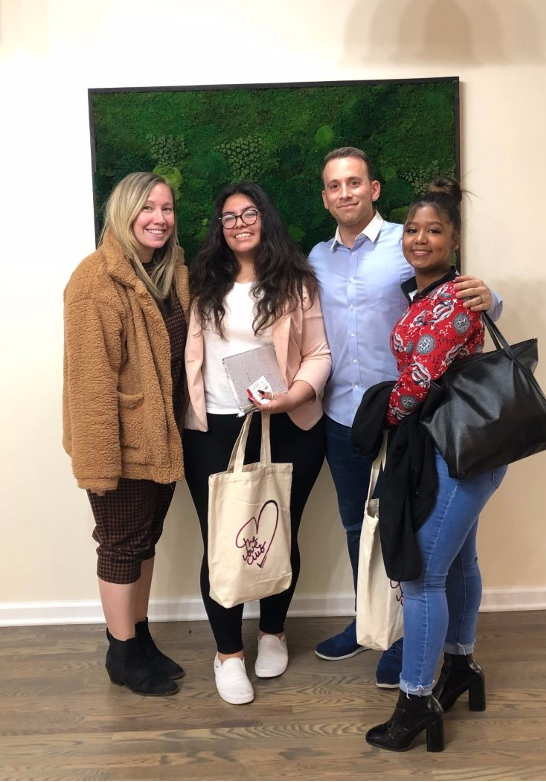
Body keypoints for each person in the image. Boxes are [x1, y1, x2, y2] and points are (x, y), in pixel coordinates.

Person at [308, 147, 503, 686]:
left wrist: (494, 296)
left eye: (354, 182)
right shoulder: (318, 258)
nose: (344, 192)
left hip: (412, 422)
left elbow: (465, 301)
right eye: (333, 185)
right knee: (358, 529)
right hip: (345, 416)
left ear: (373, 189)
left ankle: (402, 640)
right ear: (325, 197)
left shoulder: (410, 240)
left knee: (413, 541)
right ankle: (367, 622)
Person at [353, 177, 508, 752]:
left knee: (420, 577)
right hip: (461, 451)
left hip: (457, 454)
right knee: (460, 562)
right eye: (413, 230)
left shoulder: (459, 296)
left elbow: (419, 380)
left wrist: (379, 419)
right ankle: (461, 667)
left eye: (434, 231)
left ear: (455, 240)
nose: (420, 239)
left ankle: (416, 699)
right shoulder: (421, 293)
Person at [183, 182, 331, 705]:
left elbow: (319, 354)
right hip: (215, 429)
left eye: (249, 214)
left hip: (289, 425)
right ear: (218, 228)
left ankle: (272, 632)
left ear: (266, 219)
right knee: (222, 539)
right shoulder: (199, 282)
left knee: (278, 532)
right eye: (229, 217)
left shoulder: (296, 282)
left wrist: (292, 396)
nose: (240, 223)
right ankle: (227, 654)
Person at [63, 172, 190, 696]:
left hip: (163, 436)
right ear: (124, 213)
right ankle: (120, 653)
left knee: (144, 541)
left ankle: (138, 636)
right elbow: (90, 383)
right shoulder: (94, 280)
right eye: (148, 208)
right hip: (120, 446)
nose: (159, 218)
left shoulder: (167, 273)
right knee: (119, 545)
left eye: (167, 208)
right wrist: (99, 466)